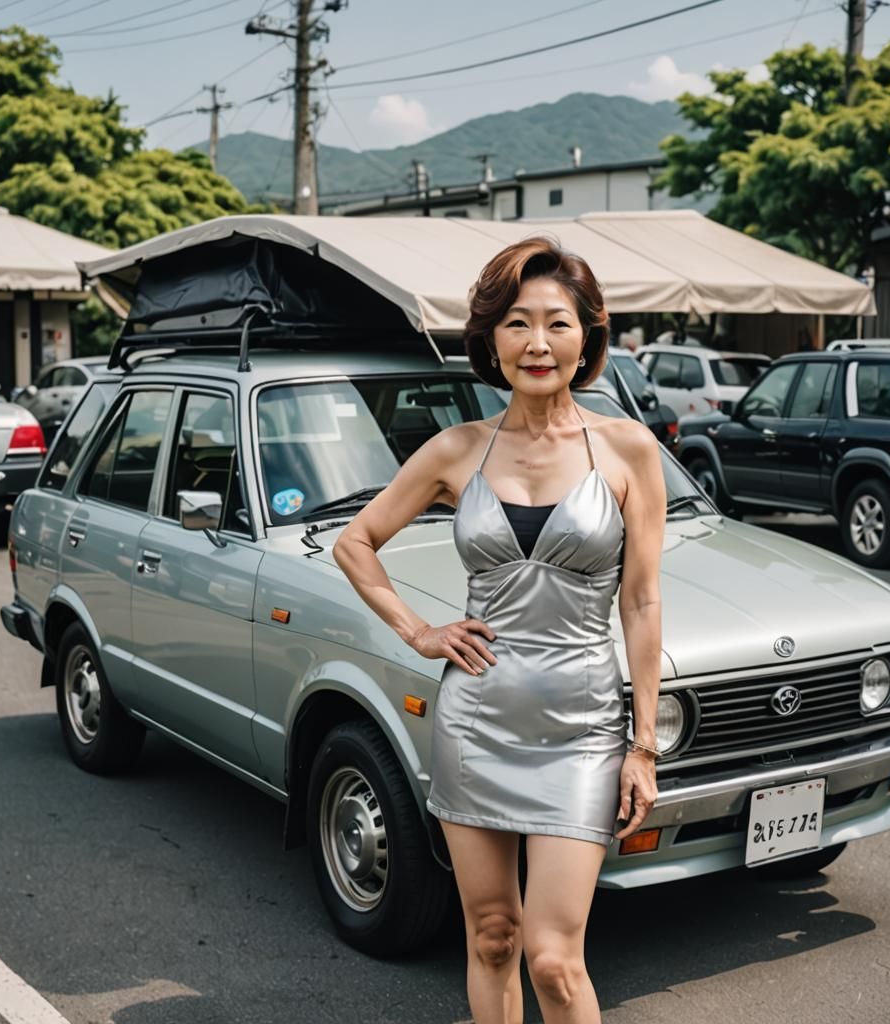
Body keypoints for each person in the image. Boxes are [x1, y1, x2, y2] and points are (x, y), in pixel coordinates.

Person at [332, 237, 666, 1023]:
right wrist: (418, 632)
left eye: (557, 323)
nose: (537, 343)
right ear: (491, 339)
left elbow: (643, 602)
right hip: (476, 719)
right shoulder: (459, 449)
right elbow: (355, 542)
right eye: (517, 324)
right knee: (489, 935)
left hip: (582, 729)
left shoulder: (628, 450)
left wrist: (642, 744)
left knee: (554, 959)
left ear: (588, 337)